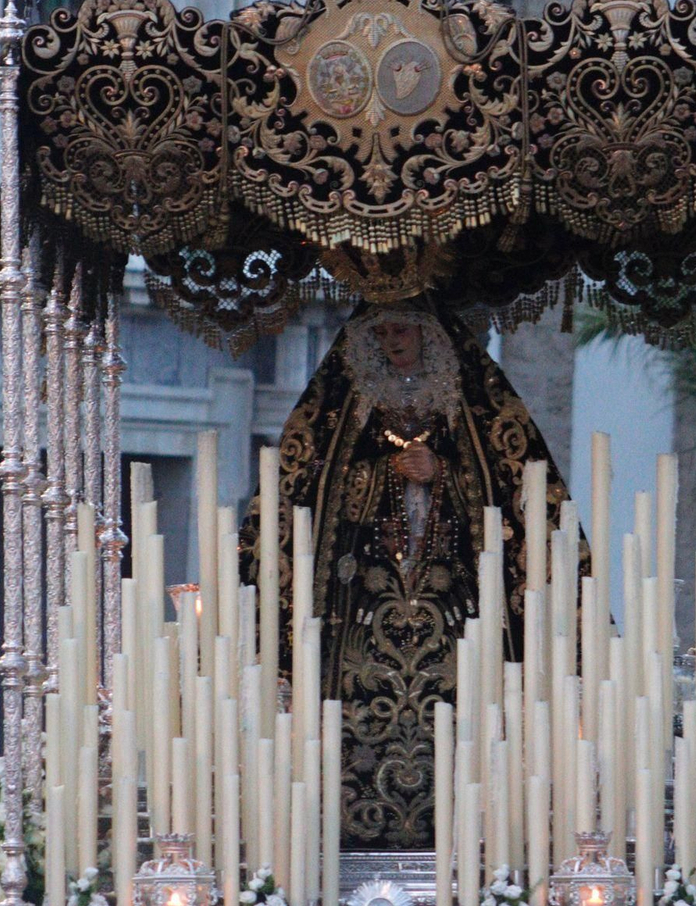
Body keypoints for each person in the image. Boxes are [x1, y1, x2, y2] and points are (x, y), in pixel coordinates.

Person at [243, 300, 580, 849]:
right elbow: (310, 491)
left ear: (431, 334)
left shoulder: (474, 405)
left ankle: (467, 835)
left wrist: (443, 473)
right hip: (360, 609)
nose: (393, 339)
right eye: (382, 331)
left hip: (456, 611)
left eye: (403, 328)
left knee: (463, 719)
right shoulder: (341, 408)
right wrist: (382, 473)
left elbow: (513, 490)